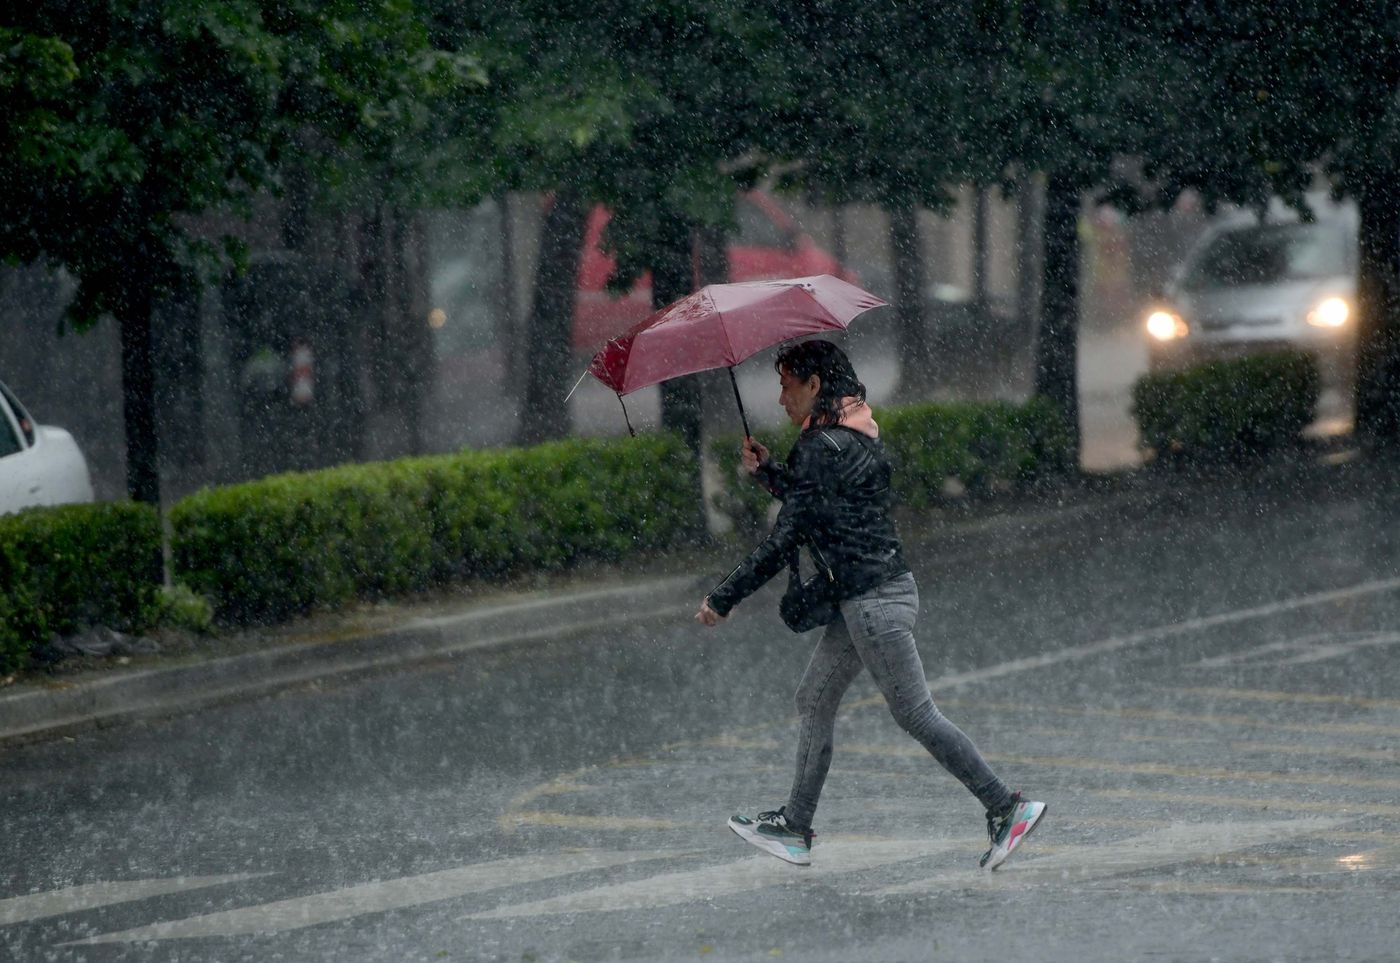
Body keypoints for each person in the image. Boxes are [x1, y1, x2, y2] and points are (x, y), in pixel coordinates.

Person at [694, 339, 1045, 869]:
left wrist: (723, 598)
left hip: (872, 602)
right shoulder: (854, 435)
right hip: (874, 594)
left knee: (916, 713)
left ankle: (1006, 807)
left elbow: (787, 537)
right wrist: (768, 472)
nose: (781, 397)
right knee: (813, 699)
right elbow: (821, 505)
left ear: (814, 385)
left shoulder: (819, 447)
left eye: (788, 385)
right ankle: (795, 825)